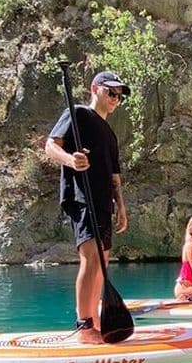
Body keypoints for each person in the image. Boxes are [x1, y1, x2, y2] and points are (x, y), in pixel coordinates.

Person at [44, 71, 131, 344]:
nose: (115, 99)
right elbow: (50, 146)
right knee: (92, 258)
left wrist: (121, 205)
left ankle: (94, 320)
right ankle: (84, 326)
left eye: (119, 96)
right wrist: (71, 160)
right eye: (111, 92)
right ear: (95, 89)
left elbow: (115, 175)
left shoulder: (111, 135)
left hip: (104, 202)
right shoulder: (78, 114)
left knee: (103, 260)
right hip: (82, 197)